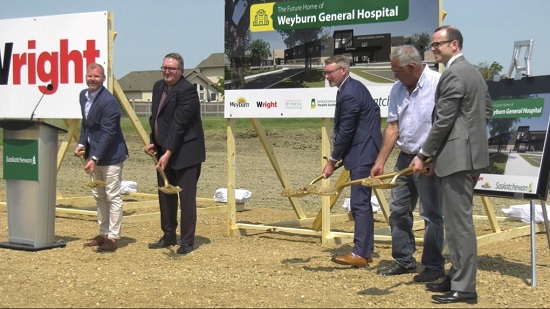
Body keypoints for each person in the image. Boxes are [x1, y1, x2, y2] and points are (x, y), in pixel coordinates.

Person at [411, 26, 492, 304]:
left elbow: (443, 121)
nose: (433, 49)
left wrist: (423, 154)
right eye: (432, 45)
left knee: (459, 225)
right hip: (462, 156)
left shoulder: (455, 74)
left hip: (460, 160)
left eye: (438, 45)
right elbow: (486, 111)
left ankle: (465, 287)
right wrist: (467, 138)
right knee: (456, 223)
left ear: (454, 45)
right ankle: (457, 275)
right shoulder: (474, 73)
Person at [371, 45, 445, 282]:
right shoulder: (397, 89)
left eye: (397, 71)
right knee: (398, 210)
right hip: (405, 158)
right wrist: (380, 161)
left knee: (431, 213)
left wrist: (431, 156)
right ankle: (404, 260)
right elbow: (393, 127)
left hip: (429, 160)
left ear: (411, 67)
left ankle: (433, 265)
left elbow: (443, 126)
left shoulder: (438, 84)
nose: (395, 76)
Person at [322, 55, 382, 268]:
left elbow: (346, 130)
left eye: (330, 72)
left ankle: (360, 253)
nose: (326, 76)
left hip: (362, 152)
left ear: (343, 71)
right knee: (361, 201)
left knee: (359, 202)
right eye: (326, 72)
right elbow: (374, 113)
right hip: (363, 149)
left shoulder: (349, 93)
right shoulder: (353, 88)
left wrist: (332, 160)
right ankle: (365, 249)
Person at [144, 52, 206, 255]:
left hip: (186, 153)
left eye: (171, 68)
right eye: (164, 68)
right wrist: (154, 142)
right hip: (164, 151)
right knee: (165, 194)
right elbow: (157, 118)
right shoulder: (157, 87)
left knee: (186, 198)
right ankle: (168, 235)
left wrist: (167, 152)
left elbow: (179, 124)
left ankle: (187, 241)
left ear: (181, 71)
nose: (167, 72)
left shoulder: (187, 91)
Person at [75, 63, 128, 252]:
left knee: (112, 195)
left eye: (96, 76)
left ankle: (113, 237)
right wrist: (82, 144)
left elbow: (108, 133)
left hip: (111, 155)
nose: (92, 79)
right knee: (99, 195)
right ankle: (103, 233)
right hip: (94, 155)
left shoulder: (109, 101)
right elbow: (86, 124)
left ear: (103, 79)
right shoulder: (83, 96)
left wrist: (94, 158)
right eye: (89, 76)